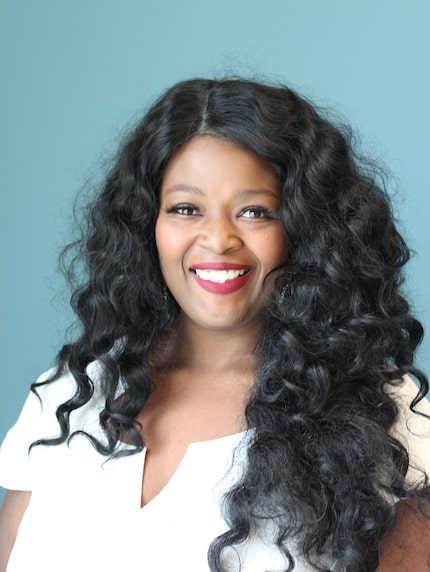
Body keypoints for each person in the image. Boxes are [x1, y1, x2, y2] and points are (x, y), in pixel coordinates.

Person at [0, 78, 429, 572]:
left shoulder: (388, 425)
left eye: (255, 211)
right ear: (148, 225)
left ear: (304, 229)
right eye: (186, 208)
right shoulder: (70, 395)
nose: (218, 239)